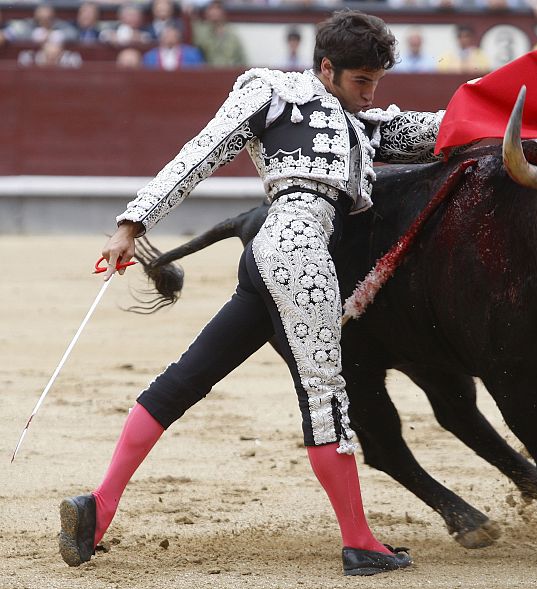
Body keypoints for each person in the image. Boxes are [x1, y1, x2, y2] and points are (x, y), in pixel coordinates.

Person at [58, 9, 450, 577]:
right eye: (361, 81)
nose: (370, 94)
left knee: (188, 377)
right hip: (300, 256)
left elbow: (450, 127)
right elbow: (202, 152)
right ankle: (360, 542)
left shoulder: (370, 126)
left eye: (377, 82)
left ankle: (99, 508)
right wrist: (134, 223)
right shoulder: (273, 90)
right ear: (326, 68)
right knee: (326, 395)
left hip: (266, 257)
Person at [191, 0, 246, 67]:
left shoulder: (231, 33)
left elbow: (241, 58)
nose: (214, 12)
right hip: (207, 72)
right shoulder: (201, 31)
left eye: (217, 8)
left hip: (228, 71)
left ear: (223, 12)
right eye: (211, 9)